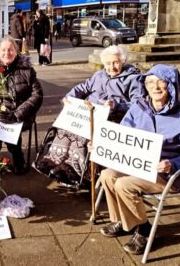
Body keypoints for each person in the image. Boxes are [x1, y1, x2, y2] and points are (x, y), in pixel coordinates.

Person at [99, 64, 180, 255]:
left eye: (161, 82)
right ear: (145, 85)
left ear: (171, 86)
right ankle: (123, 221)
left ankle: (145, 230)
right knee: (106, 175)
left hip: (169, 175)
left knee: (123, 184)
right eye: (150, 82)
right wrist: (101, 146)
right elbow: (121, 136)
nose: (155, 87)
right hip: (138, 166)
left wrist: (173, 164)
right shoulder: (137, 109)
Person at [36, 45, 145, 184]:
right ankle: (53, 160)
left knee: (84, 133)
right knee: (65, 127)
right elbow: (82, 88)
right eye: (108, 63)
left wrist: (116, 105)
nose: (111, 67)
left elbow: (139, 104)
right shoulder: (99, 75)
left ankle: (73, 170)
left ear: (123, 61)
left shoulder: (133, 79)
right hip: (89, 112)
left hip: (113, 117)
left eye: (115, 62)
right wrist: (69, 97)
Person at [0, 36, 43, 175]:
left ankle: (17, 157)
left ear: (16, 51)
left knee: (9, 125)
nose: (7, 53)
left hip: (20, 114)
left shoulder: (27, 71)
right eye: (3, 50)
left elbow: (37, 96)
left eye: (10, 50)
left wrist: (17, 114)